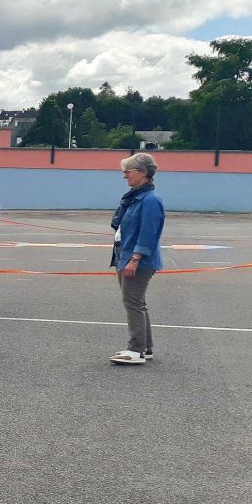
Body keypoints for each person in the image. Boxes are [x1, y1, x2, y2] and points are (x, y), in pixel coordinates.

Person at [109, 152, 164, 365]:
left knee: (132, 302)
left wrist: (135, 258)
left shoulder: (150, 200)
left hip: (137, 259)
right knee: (137, 302)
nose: (124, 176)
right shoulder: (135, 197)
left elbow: (149, 233)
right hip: (126, 255)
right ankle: (145, 347)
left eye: (128, 171)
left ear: (143, 173)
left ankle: (136, 349)